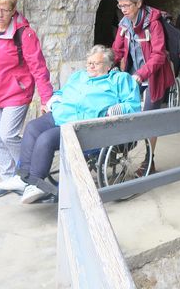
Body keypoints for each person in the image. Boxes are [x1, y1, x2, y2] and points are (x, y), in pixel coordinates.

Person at [17, 45, 141, 203]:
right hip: (62, 114)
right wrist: (54, 100)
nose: (90, 66)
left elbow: (133, 105)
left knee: (46, 139)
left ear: (109, 66)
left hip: (85, 125)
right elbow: (62, 93)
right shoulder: (79, 76)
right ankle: (24, 177)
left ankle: (36, 183)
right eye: (89, 63)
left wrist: (117, 109)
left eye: (95, 63)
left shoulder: (119, 79)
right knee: (32, 127)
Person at [0, 0, 53, 199]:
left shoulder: (24, 33)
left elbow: (38, 67)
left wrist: (47, 98)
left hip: (16, 91)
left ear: (13, 10)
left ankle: (29, 175)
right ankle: (9, 178)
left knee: (8, 134)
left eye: (4, 10)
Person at [112, 0, 174, 173]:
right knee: (120, 108)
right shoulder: (124, 24)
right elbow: (117, 50)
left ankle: (149, 160)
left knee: (148, 118)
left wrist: (142, 74)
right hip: (133, 75)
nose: (123, 11)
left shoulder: (153, 23)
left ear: (138, 3)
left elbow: (159, 55)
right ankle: (122, 148)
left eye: (126, 6)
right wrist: (104, 65)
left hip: (153, 77)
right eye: (120, 6)